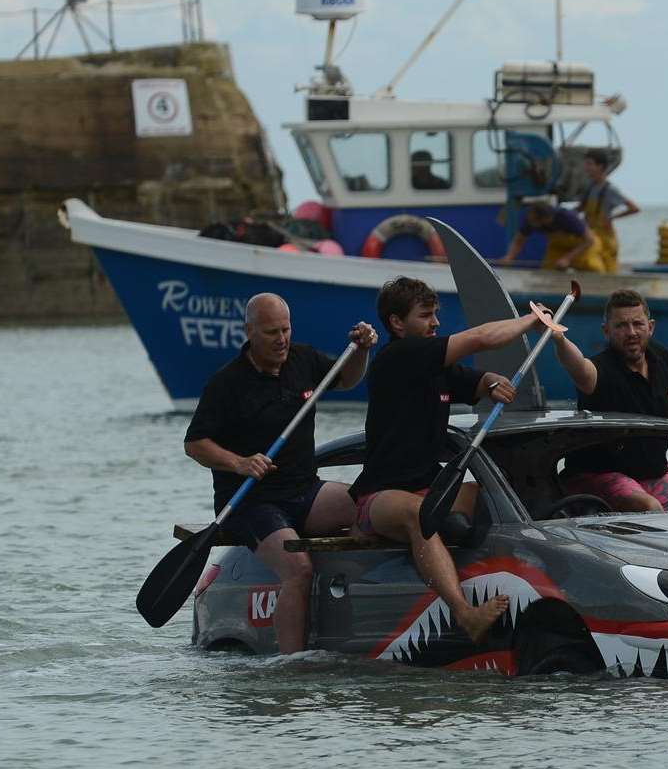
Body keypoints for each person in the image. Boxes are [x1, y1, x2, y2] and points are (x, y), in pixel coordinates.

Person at [349, 276, 542, 643]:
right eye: (426, 315)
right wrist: (533, 321)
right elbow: (481, 338)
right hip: (380, 498)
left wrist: (490, 382)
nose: (436, 323)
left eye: (436, 314)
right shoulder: (399, 357)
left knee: (495, 496)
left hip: (430, 488)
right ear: (397, 323)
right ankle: (464, 612)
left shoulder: (435, 368)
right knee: (417, 514)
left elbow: (475, 379)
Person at [184, 293, 377, 654]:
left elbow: (347, 379)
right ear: (249, 332)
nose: (281, 340)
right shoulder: (226, 383)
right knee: (298, 569)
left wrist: (361, 351)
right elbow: (195, 444)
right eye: (271, 332)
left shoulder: (303, 359)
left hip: (304, 490)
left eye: (285, 330)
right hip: (250, 503)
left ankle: (357, 619)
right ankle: (292, 662)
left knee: (372, 509)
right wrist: (239, 463)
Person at [550, 289, 668, 512]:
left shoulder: (662, 359)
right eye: (621, 326)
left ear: (651, 327)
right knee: (648, 506)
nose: (631, 332)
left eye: (638, 324)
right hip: (597, 474)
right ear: (606, 331)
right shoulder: (600, 370)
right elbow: (578, 367)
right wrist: (559, 338)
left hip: (653, 474)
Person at [575, 148, 640, 274]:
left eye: (589, 164)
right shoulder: (590, 187)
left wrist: (612, 217)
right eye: (586, 163)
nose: (586, 167)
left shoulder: (610, 190)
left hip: (606, 241)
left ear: (600, 166)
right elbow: (581, 208)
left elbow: (634, 208)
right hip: (590, 237)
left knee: (608, 274)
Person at [500, 200, 607, 273]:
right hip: (558, 246)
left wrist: (567, 258)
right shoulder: (530, 220)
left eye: (535, 222)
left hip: (584, 245)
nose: (532, 225)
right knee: (548, 268)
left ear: (546, 219)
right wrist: (509, 257)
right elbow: (519, 240)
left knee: (593, 267)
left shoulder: (567, 217)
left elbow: (589, 240)